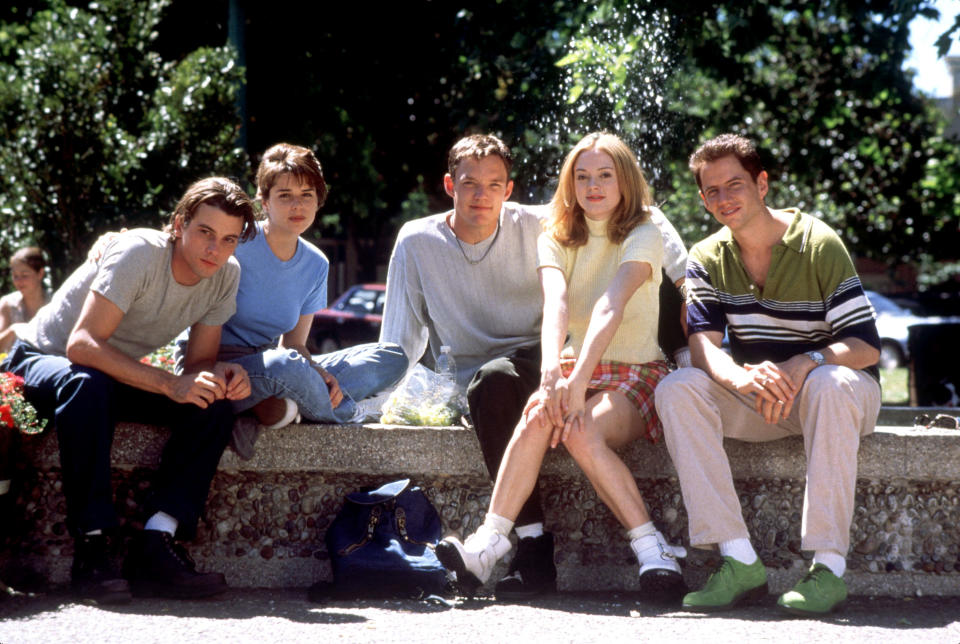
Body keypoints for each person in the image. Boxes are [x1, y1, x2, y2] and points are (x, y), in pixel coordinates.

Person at [382, 133, 689, 600]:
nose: (593, 186)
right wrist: (551, 377)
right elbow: (556, 304)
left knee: (581, 430)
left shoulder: (642, 232)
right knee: (538, 414)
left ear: (625, 180)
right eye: (582, 176)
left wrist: (688, 282)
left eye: (606, 175)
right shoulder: (559, 234)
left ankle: (653, 549)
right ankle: (486, 546)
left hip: (632, 371)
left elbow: (611, 306)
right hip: (574, 364)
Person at [654, 134, 882, 616]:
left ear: (762, 183)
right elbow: (702, 348)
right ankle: (737, 560)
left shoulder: (817, 243)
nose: (724, 199)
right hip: (763, 398)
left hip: (833, 395)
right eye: (712, 191)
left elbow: (866, 348)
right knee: (677, 388)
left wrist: (805, 362)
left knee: (830, 382)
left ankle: (828, 568)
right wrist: (740, 380)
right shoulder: (706, 257)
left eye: (734, 184)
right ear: (702, 198)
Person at [0, 177, 257, 604]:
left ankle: (157, 544)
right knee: (86, 383)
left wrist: (222, 373)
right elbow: (80, 345)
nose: (215, 249)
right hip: (39, 358)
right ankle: (92, 548)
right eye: (205, 233)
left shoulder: (225, 275)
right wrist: (169, 383)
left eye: (228, 240)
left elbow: (195, 368)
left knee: (212, 403)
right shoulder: (139, 252)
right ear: (179, 225)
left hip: (109, 371)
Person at [186, 143, 406, 457]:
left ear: (319, 199)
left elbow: (295, 346)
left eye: (307, 195)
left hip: (278, 364)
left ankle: (299, 403)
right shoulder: (236, 241)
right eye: (285, 195)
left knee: (391, 355)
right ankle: (342, 413)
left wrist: (320, 374)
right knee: (283, 366)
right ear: (264, 200)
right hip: (226, 370)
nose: (297, 206)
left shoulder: (317, 263)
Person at [0, 246, 50, 354]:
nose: (19, 281)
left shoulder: (53, 303)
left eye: (24, 275)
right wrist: (13, 330)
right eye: (15, 276)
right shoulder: (7, 304)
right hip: (12, 367)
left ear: (40, 274)